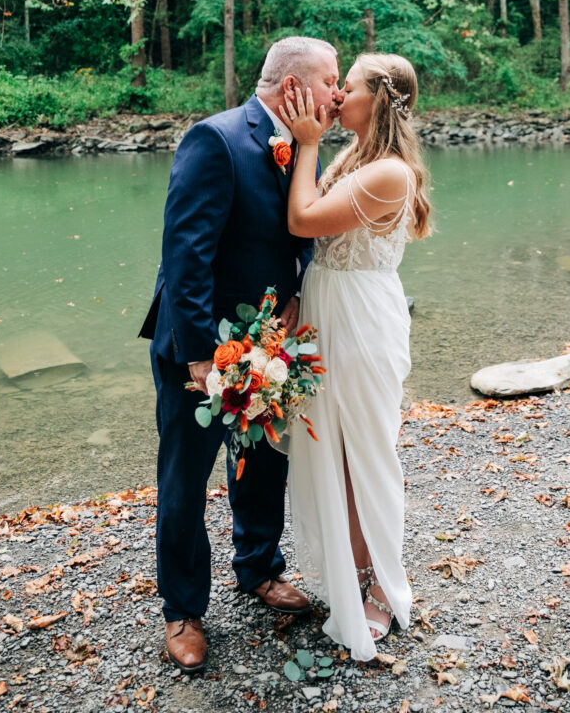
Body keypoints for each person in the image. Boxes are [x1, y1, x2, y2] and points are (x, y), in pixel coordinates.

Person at [138, 36, 342, 675]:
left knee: (261, 464)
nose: (339, 94)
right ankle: (183, 611)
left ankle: (258, 569)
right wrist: (202, 358)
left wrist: (291, 295)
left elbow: (298, 235)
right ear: (294, 88)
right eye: (331, 80)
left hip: (266, 343)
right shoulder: (216, 140)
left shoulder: (301, 147)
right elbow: (185, 258)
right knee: (185, 479)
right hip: (198, 349)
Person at [278, 52, 431, 662]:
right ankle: (349, 575)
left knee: (366, 455)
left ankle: (379, 589)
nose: (337, 94)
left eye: (348, 86)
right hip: (326, 314)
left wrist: (307, 141)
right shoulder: (357, 156)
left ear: (380, 99)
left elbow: (303, 219)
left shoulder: (390, 172)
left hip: (362, 324)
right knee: (334, 456)